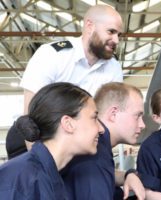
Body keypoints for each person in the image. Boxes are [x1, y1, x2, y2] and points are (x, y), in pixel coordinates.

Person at [6, 4, 123, 157]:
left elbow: (106, 119)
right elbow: (30, 116)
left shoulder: (114, 68)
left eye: (119, 35)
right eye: (111, 32)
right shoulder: (52, 55)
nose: (116, 40)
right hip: (33, 136)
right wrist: (38, 161)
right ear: (89, 26)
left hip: (77, 142)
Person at [0, 82, 104, 199]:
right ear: (68, 124)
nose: (101, 129)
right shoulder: (20, 181)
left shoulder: (49, 178)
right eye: (94, 118)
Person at [61, 82, 146, 200]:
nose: (143, 125)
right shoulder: (94, 156)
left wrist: (128, 174)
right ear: (113, 114)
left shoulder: (100, 148)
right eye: (137, 116)